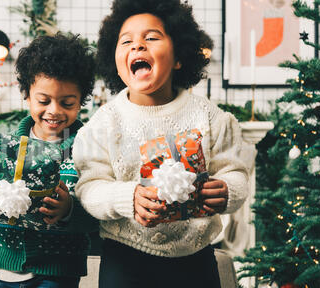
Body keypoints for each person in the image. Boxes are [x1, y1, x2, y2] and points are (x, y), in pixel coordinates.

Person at [72, 0, 249, 287]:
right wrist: (127, 198)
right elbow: (88, 187)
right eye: (126, 41)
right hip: (125, 260)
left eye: (151, 38)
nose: (137, 46)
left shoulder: (210, 118)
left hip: (196, 259)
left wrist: (228, 190)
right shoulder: (102, 125)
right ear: (113, 60)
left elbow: (237, 174)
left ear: (179, 56)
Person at [0, 33, 98, 288]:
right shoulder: (6, 149)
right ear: (26, 95)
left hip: (60, 271)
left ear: (81, 101)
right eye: (43, 101)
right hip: (8, 269)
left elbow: (98, 216)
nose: (54, 111)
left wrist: (69, 211)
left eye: (67, 103)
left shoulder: (87, 149)